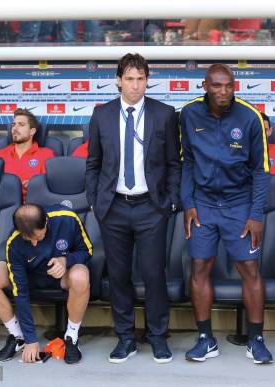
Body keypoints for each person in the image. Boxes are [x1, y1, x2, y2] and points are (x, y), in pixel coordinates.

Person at [85, 53, 181, 364]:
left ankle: (157, 337)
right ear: (118, 80)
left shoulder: (164, 114)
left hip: (151, 208)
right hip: (113, 208)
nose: (135, 85)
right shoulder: (101, 115)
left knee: (154, 274)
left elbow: (173, 164)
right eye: (129, 78)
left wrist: (169, 202)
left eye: (141, 79)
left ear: (147, 80)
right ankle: (125, 338)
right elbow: (93, 165)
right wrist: (96, 202)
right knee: (119, 276)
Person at [180, 63, 272, 364]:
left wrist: (256, 214)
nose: (224, 91)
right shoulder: (189, 114)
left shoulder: (250, 117)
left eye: (229, 85)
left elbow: (261, 171)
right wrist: (188, 203)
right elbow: (187, 163)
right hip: (204, 203)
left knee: (250, 269)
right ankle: (205, 338)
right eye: (217, 85)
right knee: (200, 266)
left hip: (239, 203)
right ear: (204, 86)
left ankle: (256, 339)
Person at [0, 204, 91, 364]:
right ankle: (18, 337)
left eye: (38, 237)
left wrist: (66, 260)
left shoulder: (67, 218)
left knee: (81, 275)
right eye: (28, 239)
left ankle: (71, 337)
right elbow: (20, 292)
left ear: (46, 222)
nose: (34, 243)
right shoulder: (14, 241)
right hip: (30, 277)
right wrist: (31, 339)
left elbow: (87, 251)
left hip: (63, 275)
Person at [0, 109, 54, 202]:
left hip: (33, 204)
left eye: (21, 125)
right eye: (13, 125)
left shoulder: (47, 154)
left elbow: (50, 186)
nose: (15, 128)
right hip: (2, 204)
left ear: (32, 131)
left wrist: (35, 185)